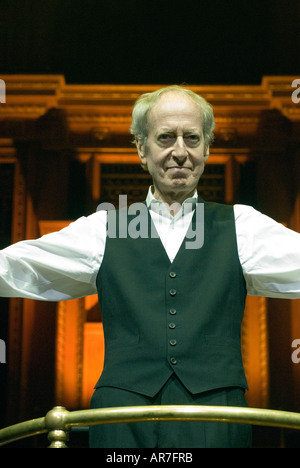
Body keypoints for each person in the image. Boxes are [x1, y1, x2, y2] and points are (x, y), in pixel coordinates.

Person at [0, 86, 300, 448]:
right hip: (121, 421)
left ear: (207, 148)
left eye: (192, 138)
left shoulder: (242, 226)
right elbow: (15, 267)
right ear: (142, 149)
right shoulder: (104, 228)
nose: (180, 151)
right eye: (165, 138)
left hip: (216, 419)